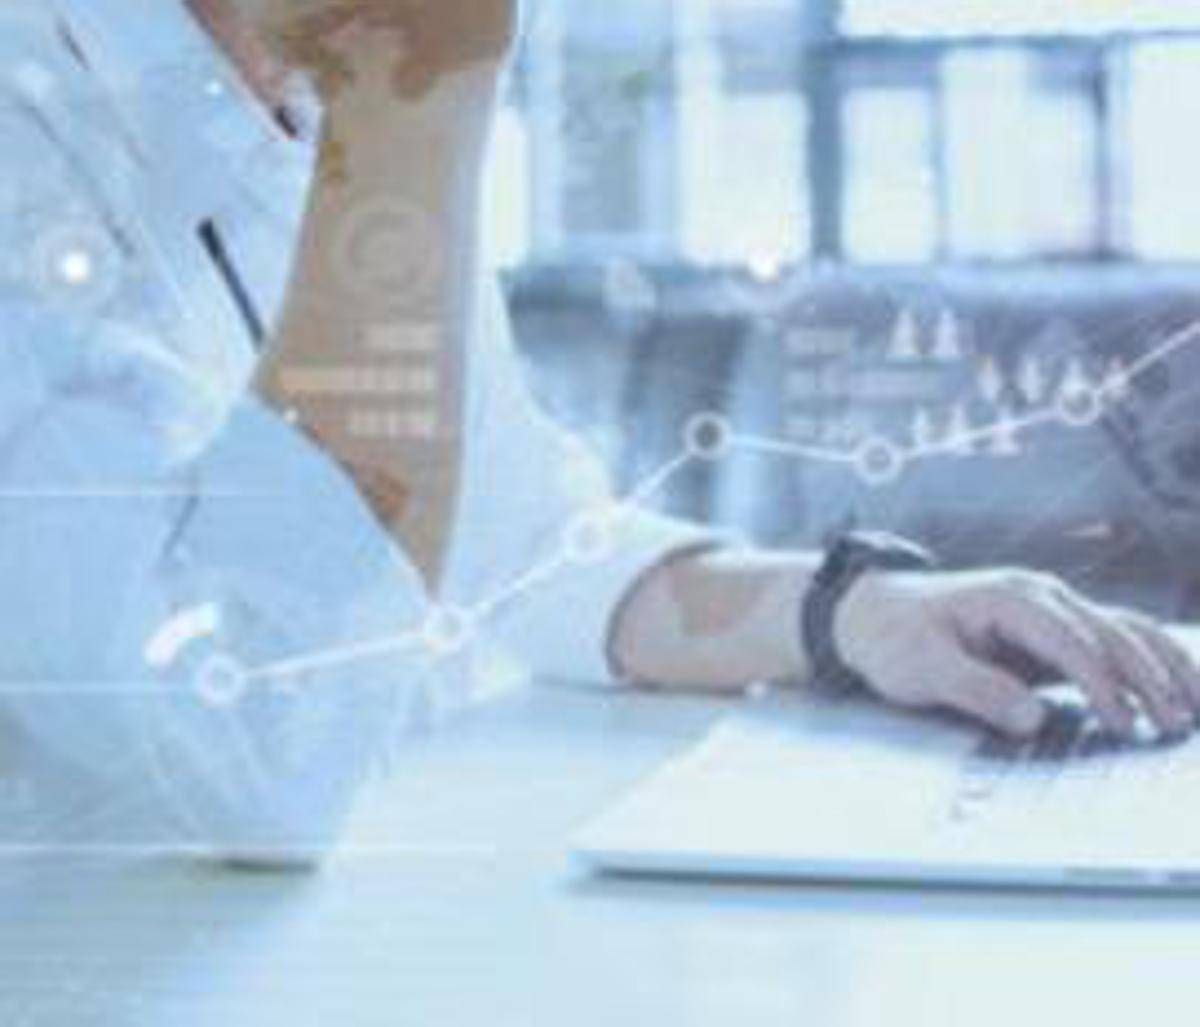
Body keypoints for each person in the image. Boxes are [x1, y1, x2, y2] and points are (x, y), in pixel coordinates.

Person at [0, 0, 1195, 865]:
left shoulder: (305, 109)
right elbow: (261, 747)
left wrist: (851, 611)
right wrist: (415, 101)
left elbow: (526, 543)